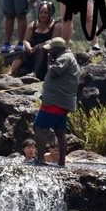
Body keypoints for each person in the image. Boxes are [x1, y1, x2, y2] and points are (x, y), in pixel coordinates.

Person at [32, 37, 81, 167]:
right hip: (62, 101)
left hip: (55, 101)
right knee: (60, 131)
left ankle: (41, 158)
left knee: (39, 127)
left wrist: (49, 61)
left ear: (58, 49)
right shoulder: (67, 57)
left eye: (51, 50)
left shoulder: (65, 57)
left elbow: (53, 72)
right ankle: (61, 162)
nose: (49, 52)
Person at [10, 0, 60, 79]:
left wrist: (40, 45)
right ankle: (11, 72)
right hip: (32, 51)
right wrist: (29, 47)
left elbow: (53, 41)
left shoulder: (56, 26)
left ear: (51, 14)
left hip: (47, 54)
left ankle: (34, 73)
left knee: (40, 49)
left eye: (46, 13)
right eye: (41, 12)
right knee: (23, 51)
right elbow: (26, 40)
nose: (43, 15)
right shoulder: (33, 25)